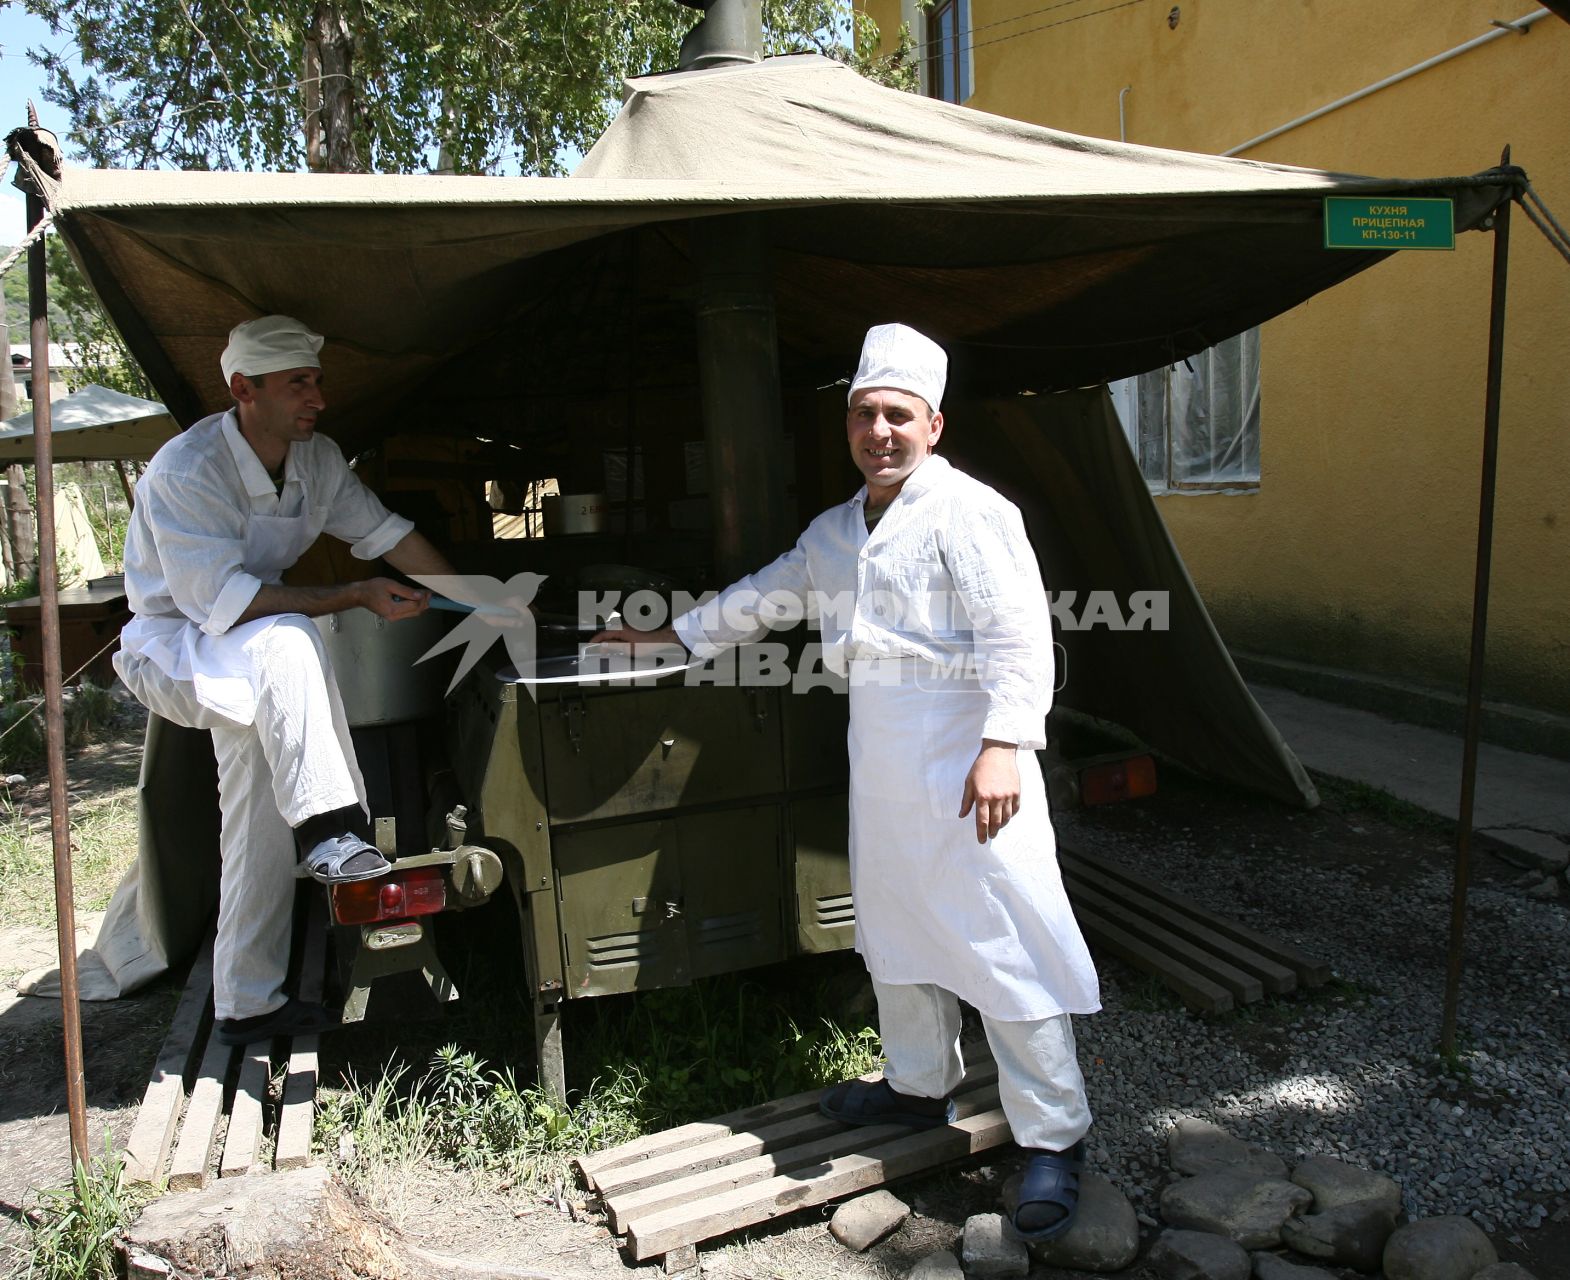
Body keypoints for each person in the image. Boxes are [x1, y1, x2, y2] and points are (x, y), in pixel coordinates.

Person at [598, 322, 1100, 1241]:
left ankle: (1054, 1139)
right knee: (898, 929)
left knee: (1006, 942)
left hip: (970, 759)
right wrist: (667, 640)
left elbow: (1021, 634)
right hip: (884, 764)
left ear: (934, 425)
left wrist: (1003, 742)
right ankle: (917, 1088)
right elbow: (765, 593)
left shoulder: (971, 512)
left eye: (897, 415)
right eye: (865, 414)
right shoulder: (835, 532)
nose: (880, 431)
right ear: (848, 423)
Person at [114, 315, 457, 1046]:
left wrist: (486, 599)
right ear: (245, 389)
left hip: (252, 657)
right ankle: (334, 830)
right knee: (291, 633)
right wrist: (356, 593)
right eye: (298, 384)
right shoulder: (186, 471)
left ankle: (246, 1002)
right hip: (176, 649)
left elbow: (387, 533)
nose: (318, 399)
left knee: (258, 821)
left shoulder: (317, 460)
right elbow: (223, 604)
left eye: (316, 382)